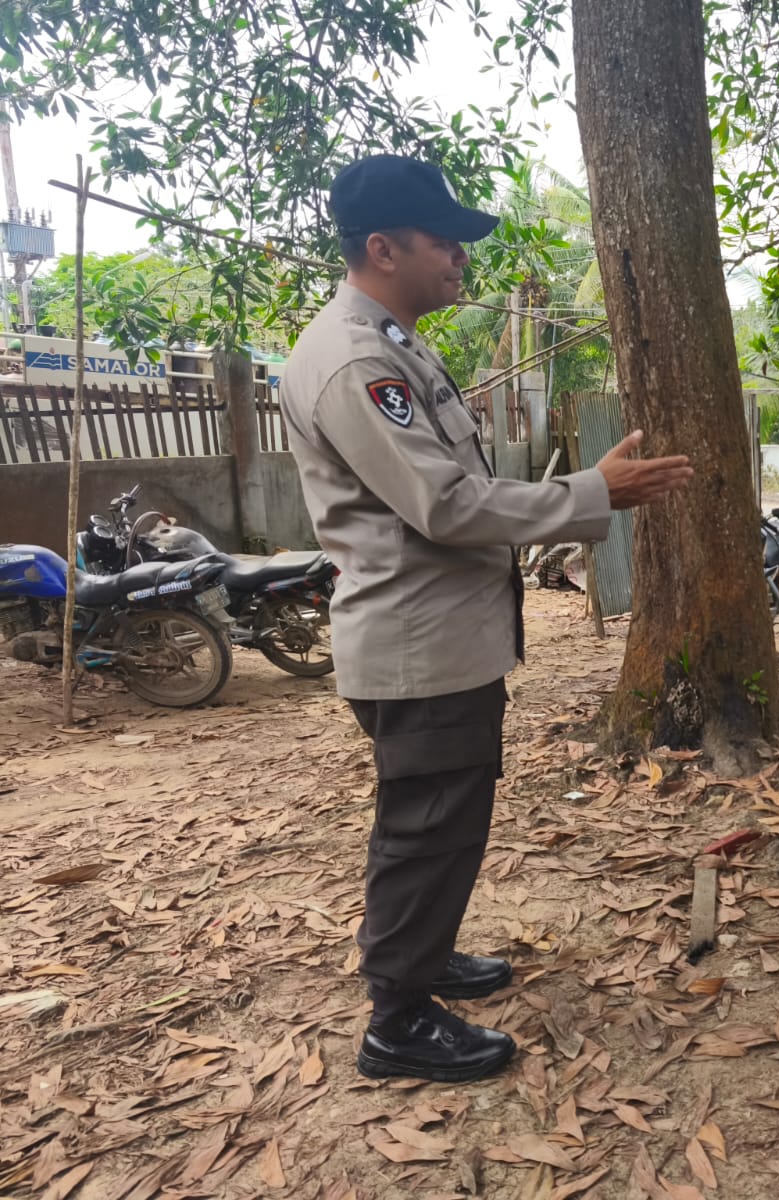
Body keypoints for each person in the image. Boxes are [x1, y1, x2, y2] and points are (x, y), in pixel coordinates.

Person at [281, 154, 694, 1082]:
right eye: (444, 242)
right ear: (382, 247)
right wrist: (596, 494)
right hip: (417, 645)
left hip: (439, 638)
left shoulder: (393, 340)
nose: (459, 259)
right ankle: (396, 1019)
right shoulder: (355, 359)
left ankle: (420, 962)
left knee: (441, 819)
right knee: (426, 826)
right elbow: (447, 507)